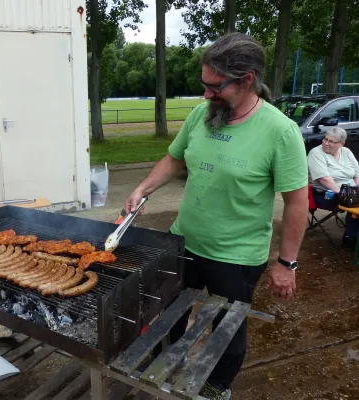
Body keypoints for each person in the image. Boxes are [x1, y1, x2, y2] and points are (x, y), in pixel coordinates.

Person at [124, 33, 308, 400]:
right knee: (170, 317)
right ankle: (166, 367)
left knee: (226, 332)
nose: (207, 94)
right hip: (184, 242)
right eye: (204, 84)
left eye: (215, 86)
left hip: (236, 256)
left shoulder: (280, 131)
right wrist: (143, 188)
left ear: (247, 80)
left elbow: (297, 202)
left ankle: (216, 386)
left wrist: (287, 263)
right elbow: (176, 157)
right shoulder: (201, 114)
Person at [307, 127, 359, 243]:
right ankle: (351, 237)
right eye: (325, 139)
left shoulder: (346, 152)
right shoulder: (316, 153)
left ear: (341, 144)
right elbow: (324, 179)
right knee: (355, 205)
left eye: (331, 141)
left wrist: (356, 190)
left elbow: (357, 173)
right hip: (326, 193)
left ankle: (352, 235)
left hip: (350, 191)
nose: (326, 143)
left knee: (355, 202)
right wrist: (343, 194)